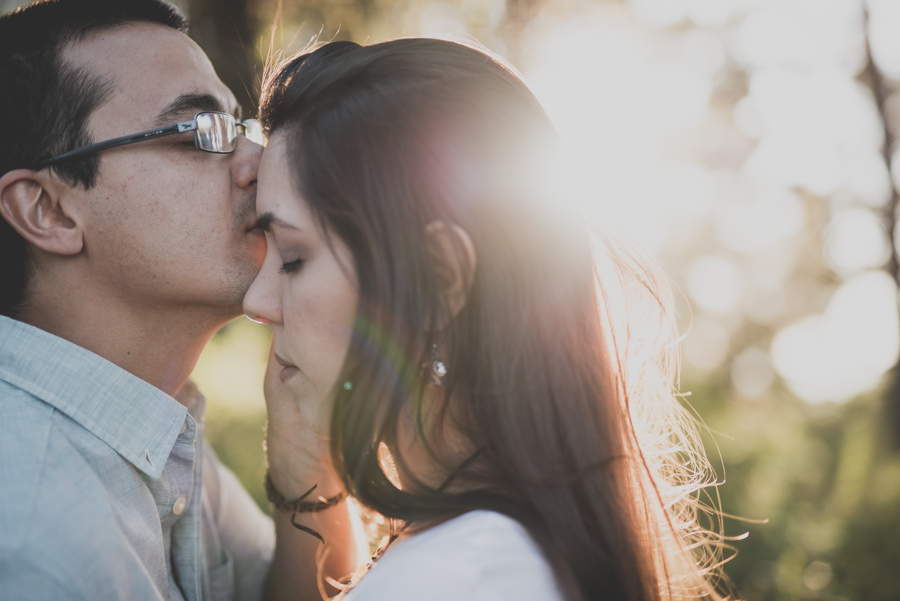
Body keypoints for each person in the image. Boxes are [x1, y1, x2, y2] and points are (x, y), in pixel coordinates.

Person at [245, 38, 727, 601]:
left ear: (438, 278)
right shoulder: (488, 555)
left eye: (293, 258)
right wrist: (304, 478)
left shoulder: (455, 579)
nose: (256, 302)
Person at [0, 1, 359, 599]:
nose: (259, 163)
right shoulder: (37, 542)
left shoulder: (154, 426)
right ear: (49, 210)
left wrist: (305, 465)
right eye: (200, 133)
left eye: (240, 128)